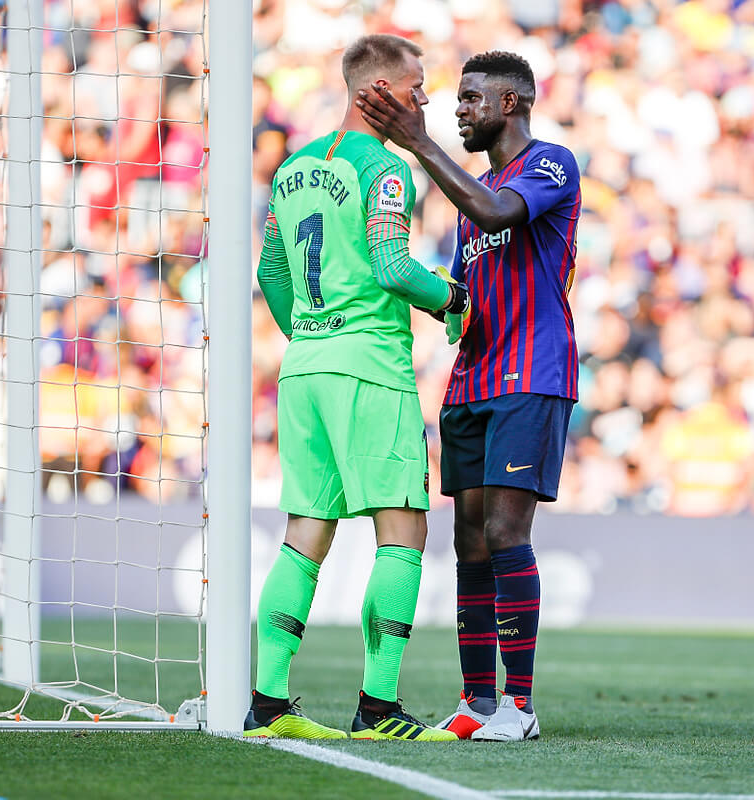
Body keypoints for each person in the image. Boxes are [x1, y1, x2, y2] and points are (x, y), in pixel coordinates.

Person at [246, 33, 467, 742]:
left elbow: (273, 276)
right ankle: (377, 710)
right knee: (402, 531)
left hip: (305, 368)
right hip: (369, 368)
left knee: (305, 534)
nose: (425, 97)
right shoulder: (389, 171)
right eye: (416, 85)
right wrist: (456, 302)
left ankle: (267, 703)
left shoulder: (292, 168)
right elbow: (395, 267)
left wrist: (312, 330)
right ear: (378, 93)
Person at [357, 50, 581, 741]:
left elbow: (496, 215)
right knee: (470, 544)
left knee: (507, 534)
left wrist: (415, 140)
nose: (458, 110)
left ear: (512, 104)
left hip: (532, 375)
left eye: (472, 98)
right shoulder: (465, 201)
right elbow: (462, 296)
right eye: (455, 99)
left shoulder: (549, 165)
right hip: (471, 381)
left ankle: (520, 705)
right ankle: (478, 701)